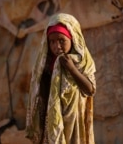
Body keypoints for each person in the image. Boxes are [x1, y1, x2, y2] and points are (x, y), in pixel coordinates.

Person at [26, 13, 96, 144]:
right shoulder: (44, 63)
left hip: (75, 119)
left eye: (61, 40)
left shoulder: (82, 62)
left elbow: (90, 89)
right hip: (53, 120)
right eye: (52, 41)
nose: (56, 46)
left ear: (73, 38)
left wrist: (71, 68)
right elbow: (40, 94)